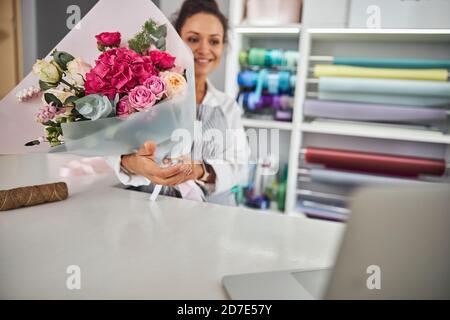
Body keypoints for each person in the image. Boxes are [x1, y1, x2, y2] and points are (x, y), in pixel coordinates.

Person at [108, 0, 249, 205]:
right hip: (147, 209)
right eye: (193, 39)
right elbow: (112, 148)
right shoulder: (145, 95)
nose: (204, 49)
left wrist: (201, 170)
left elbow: (240, 166)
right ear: (176, 41)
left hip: (212, 213)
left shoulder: (228, 107)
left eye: (214, 41)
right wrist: (132, 164)